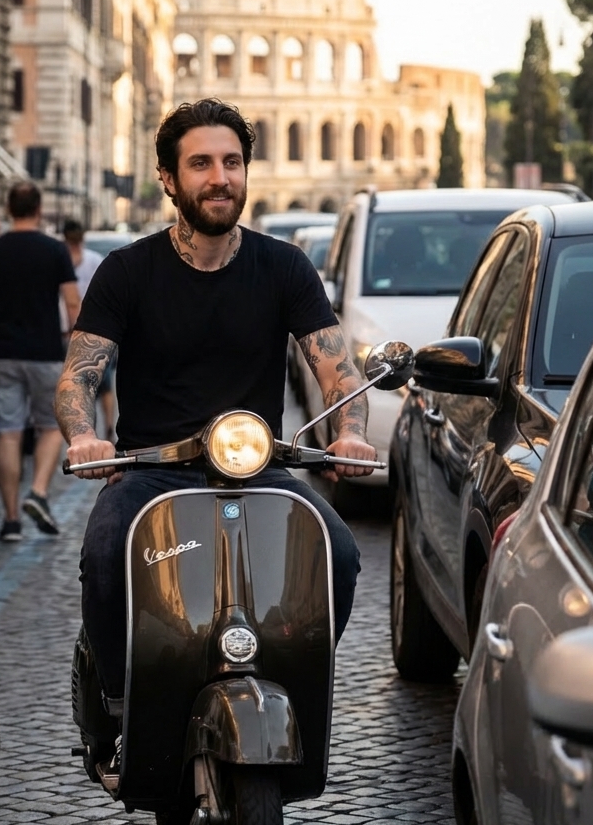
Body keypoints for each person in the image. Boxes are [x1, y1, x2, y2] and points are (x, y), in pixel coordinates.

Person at [56, 98, 377, 716]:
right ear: (170, 180)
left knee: (338, 553)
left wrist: (351, 433)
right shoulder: (126, 271)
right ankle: (122, 704)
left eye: (232, 162)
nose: (220, 177)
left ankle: (298, 687)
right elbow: (77, 378)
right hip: (151, 470)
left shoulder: (284, 266)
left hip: (260, 468)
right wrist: (83, 437)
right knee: (103, 557)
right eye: (200, 163)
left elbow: (338, 370)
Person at [0, 180, 81, 542]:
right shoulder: (55, 251)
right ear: (38, 208)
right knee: (51, 427)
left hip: (3, 353)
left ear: (8, 208)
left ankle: (11, 519)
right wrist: (75, 344)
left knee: (8, 432)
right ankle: (39, 491)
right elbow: (72, 302)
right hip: (46, 352)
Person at [60, 219, 116, 439]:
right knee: (103, 385)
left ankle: (87, 431)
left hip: (76, 330)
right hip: (97, 331)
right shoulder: (95, 260)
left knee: (76, 382)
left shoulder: (65, 260)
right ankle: (107, 426)